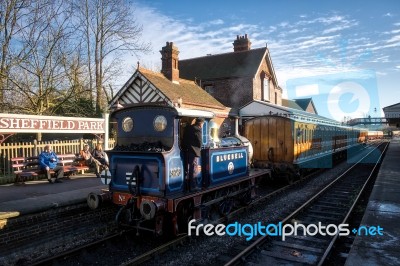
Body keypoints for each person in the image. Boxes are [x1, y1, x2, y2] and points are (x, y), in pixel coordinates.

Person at [182, 118, 204, 192]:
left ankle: (186, 185)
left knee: (186, 168)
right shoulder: (197, 129)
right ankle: (193, 186)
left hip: (186, 150)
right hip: (193, 151)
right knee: (193, 168)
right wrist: (199, 148)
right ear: (201, 123)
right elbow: (200, 142)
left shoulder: (189, 128)